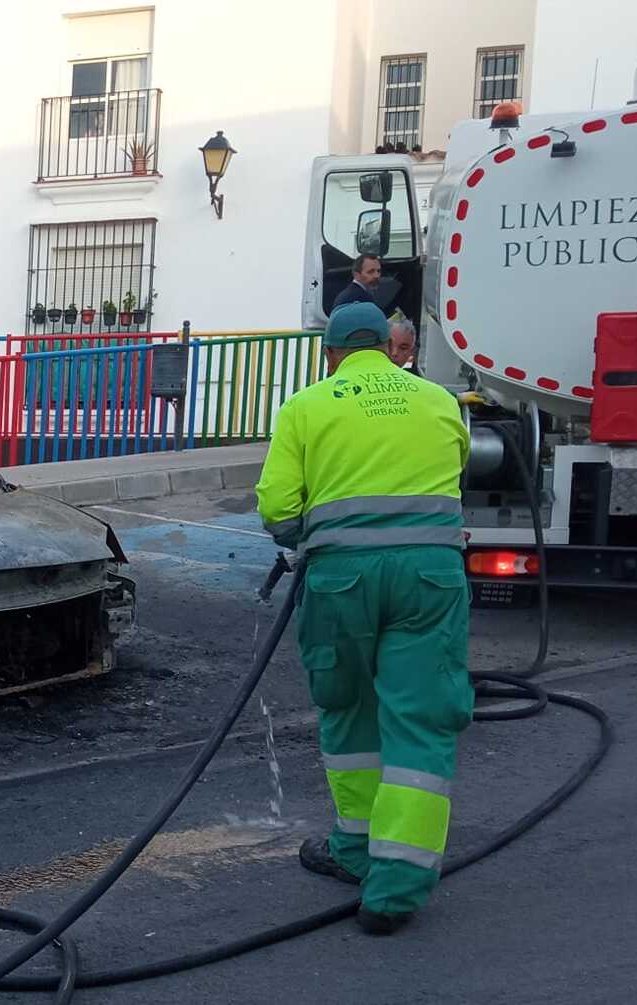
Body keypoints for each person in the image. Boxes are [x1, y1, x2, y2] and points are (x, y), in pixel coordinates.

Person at [254, 301, 471, 936]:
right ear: (390, 346)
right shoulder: (438, 401)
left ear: (331, 354)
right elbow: (452, 473)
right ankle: (396, 888)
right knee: (420, 721)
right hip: (430, 577)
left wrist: (307, 533)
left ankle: (354, 850)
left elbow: (277, 509)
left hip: (342, 580)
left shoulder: (307, 406)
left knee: (349, 709)